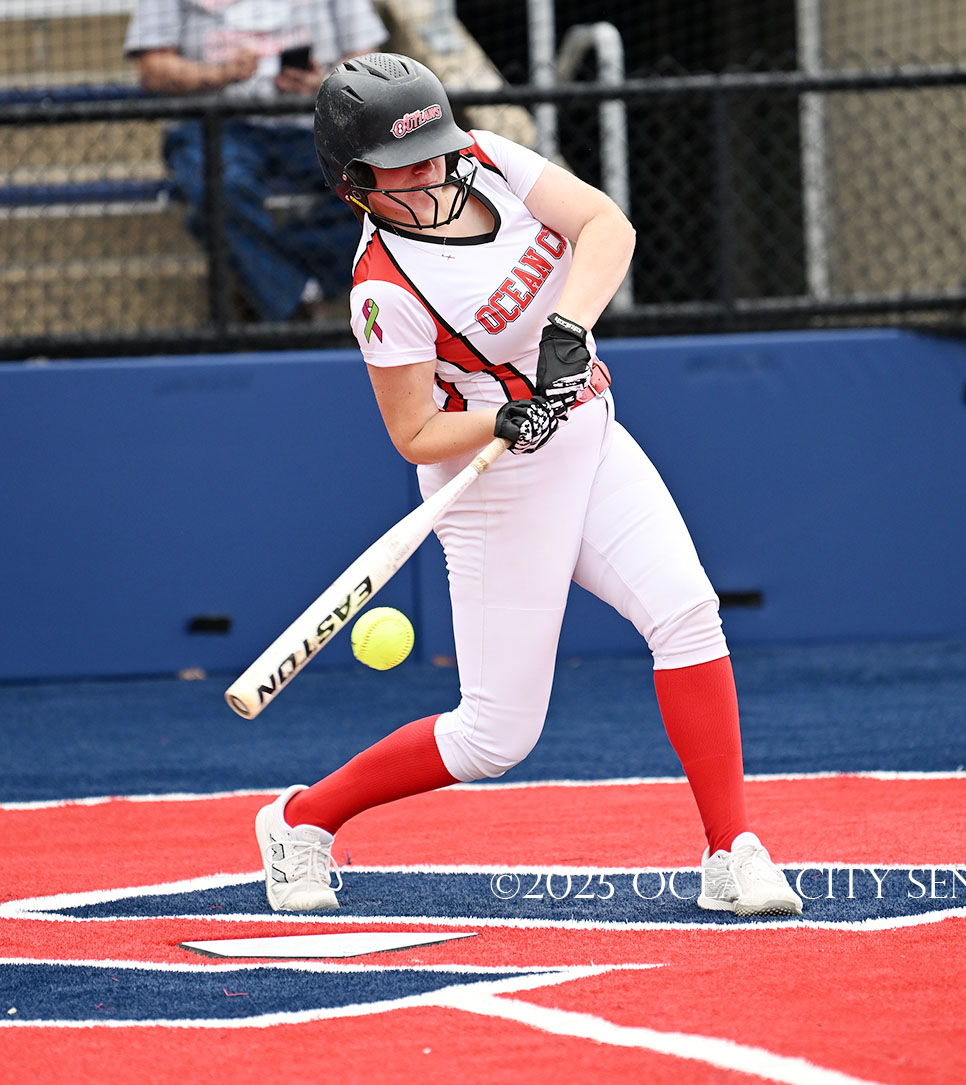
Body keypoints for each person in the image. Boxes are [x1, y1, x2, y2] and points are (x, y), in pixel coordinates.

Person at [254, 52, 802, 918]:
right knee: (495, 735)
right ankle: (300, 818)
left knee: (687, 612)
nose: (430, 172)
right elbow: (413, 433)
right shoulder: (384, 290)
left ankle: (730, 849)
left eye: (433, 151)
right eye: (402, 165)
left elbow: (606, 224)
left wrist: (569, 326)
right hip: (496, 486)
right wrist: (500, 418)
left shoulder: (489, 159)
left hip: (588, 429)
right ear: (352, 182)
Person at [123, 0, 387, 321]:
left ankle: (266, 283)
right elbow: (153, 71)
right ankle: (296, 302)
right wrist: (221, 73)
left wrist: (325, 83)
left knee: (381, 184)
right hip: (215, 124)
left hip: (314, 122)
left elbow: (367, 58)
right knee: (218, 187)